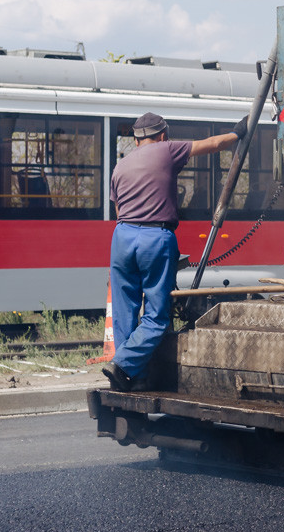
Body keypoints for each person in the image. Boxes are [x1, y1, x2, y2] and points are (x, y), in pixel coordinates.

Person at [102, 111, 248, 392]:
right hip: (154, 237)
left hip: (121, 237)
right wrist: (238, 133)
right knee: (157, 315)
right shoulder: (167, 150)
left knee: (125, 311)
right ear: (162, 135)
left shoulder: (120, 166)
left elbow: (119, 212)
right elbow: (214, 144)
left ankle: (136, 377)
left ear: (135, 139)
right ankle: (122, 364)